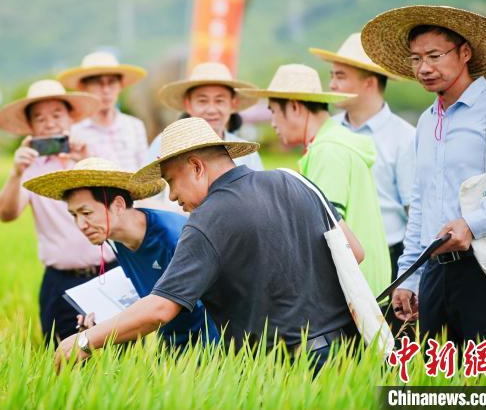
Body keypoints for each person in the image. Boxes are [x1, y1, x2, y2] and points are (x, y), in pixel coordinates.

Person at [54, 117, 364, 373]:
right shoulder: (295, 181)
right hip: (351, 355)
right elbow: (355, 253)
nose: (172, 196)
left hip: (284, 368)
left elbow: (161, 307)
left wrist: (84, 341)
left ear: (196, 167)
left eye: (171, 181)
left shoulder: (207, 220)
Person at [361, 5, 486, 345]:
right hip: (434, 272)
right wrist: (408, 277)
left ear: (465, 53)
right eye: (416, 59)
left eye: (434, 55)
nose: (424, 68)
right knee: (437, 384)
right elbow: (421, 204)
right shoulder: (428, 121)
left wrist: (473, 223)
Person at [23, 157, 219, 350]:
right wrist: (101, 319)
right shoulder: (115, 238)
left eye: (87, 213)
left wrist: (90, 339)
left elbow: (164, 308)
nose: (81, 225)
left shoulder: (174, 236)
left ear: (117, 205)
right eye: (74, 215)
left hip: (215, 346)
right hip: (173, 344)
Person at [237, 64, 391, 296]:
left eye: (274, 112)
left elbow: (327, 238)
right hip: (364, 287)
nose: (273, 123)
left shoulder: (328, 151)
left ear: (295, 107)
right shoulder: (332, 144)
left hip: (352, 294)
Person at [0, 79, 117, 346]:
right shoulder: (30, 168)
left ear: (70, 117)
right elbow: (6, 213)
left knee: (120, 356)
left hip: (109, 273)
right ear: (30, 127)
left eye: (56, 115)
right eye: (40, 118)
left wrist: (81, 162)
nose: (49, 123)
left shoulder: (93, 156)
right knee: (64, 357)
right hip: (61, 281)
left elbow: (119, 204)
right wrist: (15, 173)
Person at [310, 33, 416, 281]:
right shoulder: (327, 132)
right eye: (332, 76)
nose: (332, 85)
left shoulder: (405, 138)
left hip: (390, 259)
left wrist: (412, 276)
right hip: (334, 255)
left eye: (340, 76)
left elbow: (413, 211)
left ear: (369, 82)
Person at [144, 62, 264, 171]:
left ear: (233, 104)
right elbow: (146, 189)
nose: (211, 110)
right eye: (202, 101)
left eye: (219, 101)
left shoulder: (247, 153)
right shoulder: (164, 143)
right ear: (188, 104)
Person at [57, 51, 148, 171]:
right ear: (84, 88)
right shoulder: (73, 132)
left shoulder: (135, 126)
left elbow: (146, 171)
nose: (106, 90)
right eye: (97, 83)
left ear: (120, 86)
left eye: (111, 82)